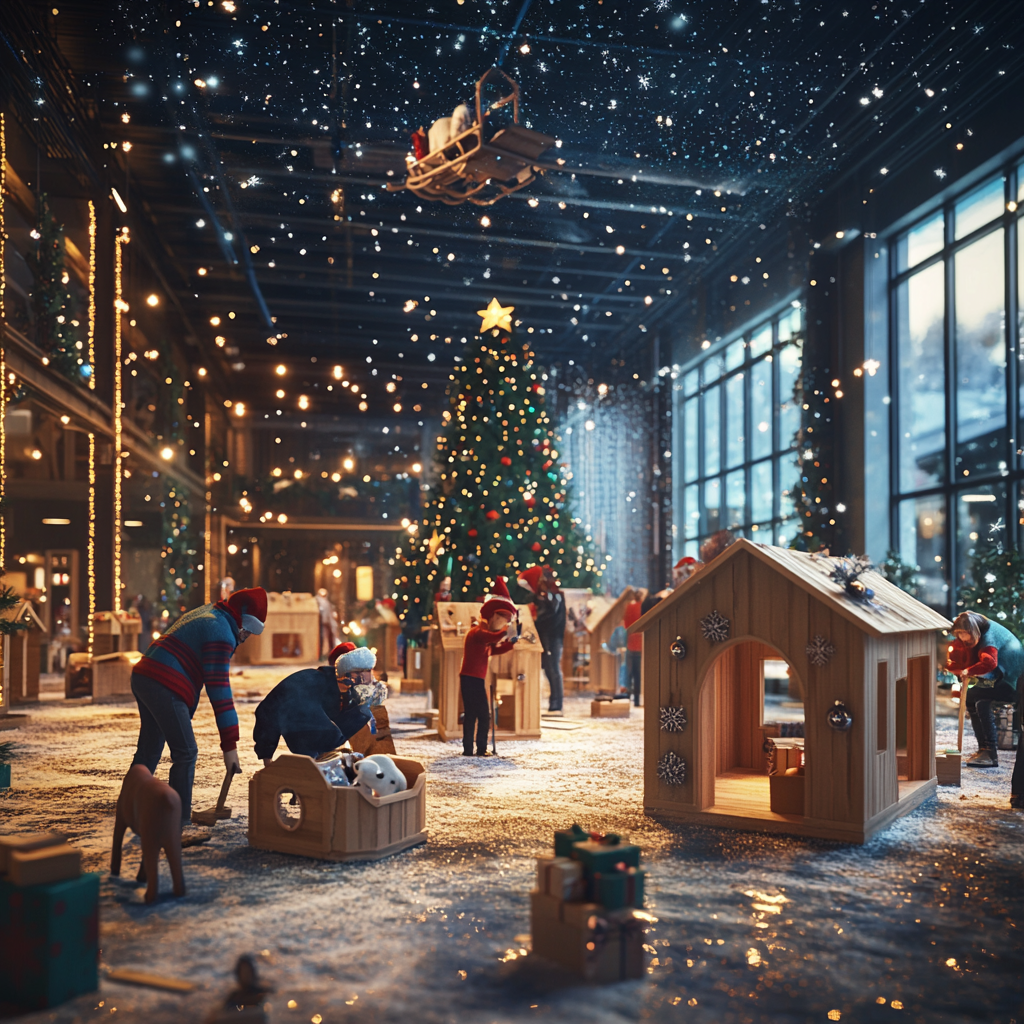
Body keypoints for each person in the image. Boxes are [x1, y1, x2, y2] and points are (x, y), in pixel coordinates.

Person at [129, 587, 267, 835]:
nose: (245, 638)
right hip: (164, 681)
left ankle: (129, 805)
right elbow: (220, 691)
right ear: (244, 624)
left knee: (150, 747)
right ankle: (177, 822)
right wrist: (230, 746)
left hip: (145, 673)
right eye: (248, 632)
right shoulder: (221, 633)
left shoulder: (212, 612)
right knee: (186, 751)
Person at [252, 642, 379, 765]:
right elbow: (268, 710)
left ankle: (316, 763)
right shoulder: (310, 684)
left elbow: (340, 727)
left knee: (334, 741)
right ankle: (312, 763)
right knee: (330, 739)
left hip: (308, 731)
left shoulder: (340, 689)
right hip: (298, 727)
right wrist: (266, 756)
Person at [945, 611, 1024, 805]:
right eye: (959, 634)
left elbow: (990, 662)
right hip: (1003, 677)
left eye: (965, 634)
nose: (962, 639)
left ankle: (990, 752)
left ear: (973, 630)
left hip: (1015, 680)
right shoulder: (978, 633)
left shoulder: (988, 638)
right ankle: (985, 749)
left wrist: (968, 672)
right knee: (974, 698)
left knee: (978, 699)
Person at [460, 577, 519, 756]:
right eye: (502, 620)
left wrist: (511, 642)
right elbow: (492, 639)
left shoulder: (482, 635)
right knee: (483, 716)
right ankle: (480, 748)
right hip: (473, 680)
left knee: (471, 714)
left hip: (471, 679)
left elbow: (494, 649)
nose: (503, 624)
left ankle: (469, 748)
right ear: (494, 616)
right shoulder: (478, 633)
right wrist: (506, 633)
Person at [517, 566, 566, 714]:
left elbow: (549, 618)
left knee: (553, 669)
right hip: (549, 637)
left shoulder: (552, 596)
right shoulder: (544, 597)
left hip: (552, 638)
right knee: (550, 669)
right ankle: (555, 702)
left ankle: (556, 703)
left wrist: (535, 622)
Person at [622, 588, 647, 707]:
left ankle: (627, 696)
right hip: (640, 643)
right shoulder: (643, 607)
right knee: (638, 674)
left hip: (630, 643)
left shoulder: (628, 607)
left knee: (629, 672)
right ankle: (636, 700)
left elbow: (626, 624)